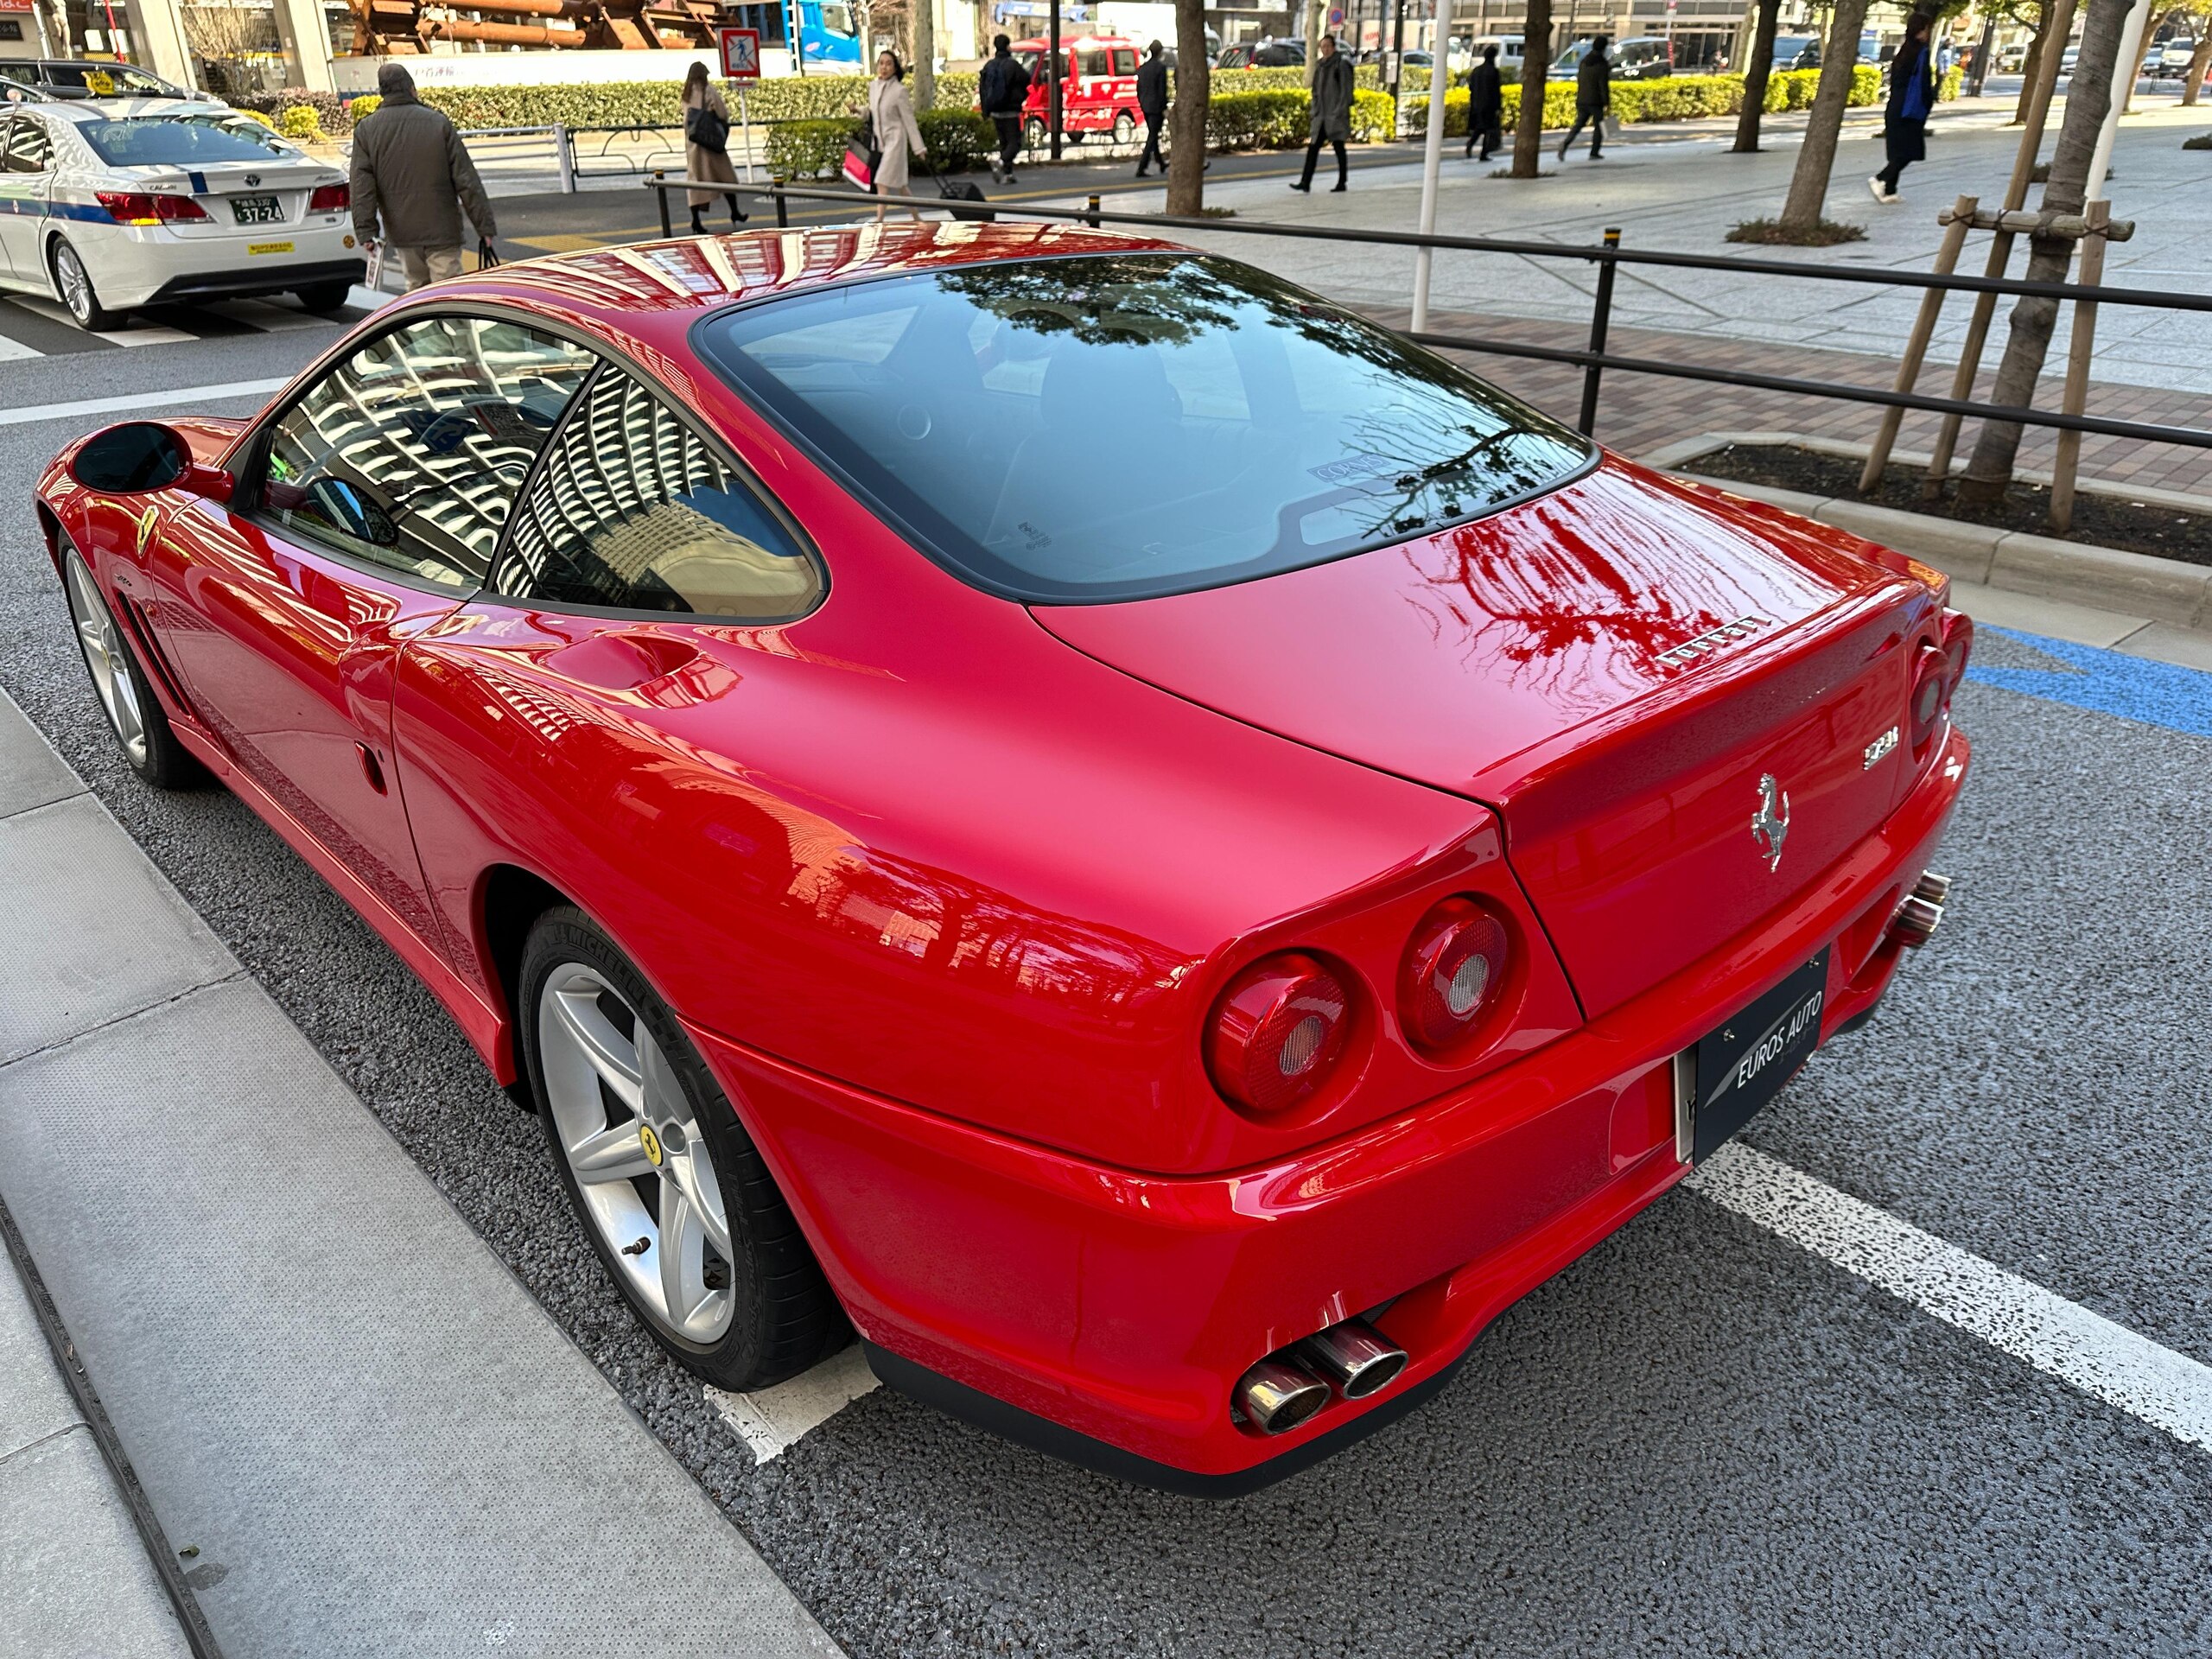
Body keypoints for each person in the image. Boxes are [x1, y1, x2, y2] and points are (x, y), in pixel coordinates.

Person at [348, 62, 496, 291]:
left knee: (417, 292)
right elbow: (466, 179)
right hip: (442, 228)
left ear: (382, 92)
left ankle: (426, 328)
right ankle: (456, 328)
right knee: (449, 292)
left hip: (402, 230)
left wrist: (366, 231)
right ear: (411, 89)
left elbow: (362, 187)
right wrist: (484, 227)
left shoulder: (366, 130)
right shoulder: (437, 122)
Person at [1872, 13, 1937, 205]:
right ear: (1921, 30)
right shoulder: (1921, 52)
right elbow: (1924, 83)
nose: (1928, 33)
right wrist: (1928, 103)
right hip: (1911, 108)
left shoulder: (1903, 51)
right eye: (1927, 29)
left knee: (1896, 150)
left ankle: (1890, 191)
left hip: (1895, 105)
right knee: (1910, 150)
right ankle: (1879, 178)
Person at [681, 61, 747, 235]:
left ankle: (696, 220)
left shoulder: (686, 92)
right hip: (710, 142)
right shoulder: (707, 90)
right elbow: (722, 112)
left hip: (694, 144)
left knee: (697, 182)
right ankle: (735, 211)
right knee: (726, 178)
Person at [867, 50, 928, 224]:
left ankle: (879, 219)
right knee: (901, 186)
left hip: (896, 141)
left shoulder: (899, 91)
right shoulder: (873, 87)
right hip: (881, 142)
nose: (884, 67)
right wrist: (858, 111)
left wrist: (919, 148)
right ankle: (917, 218)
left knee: (881, 181)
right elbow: (873, 113)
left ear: (895, 68)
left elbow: (909, 121)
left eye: (888, 64)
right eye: (881, 63)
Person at [1290, 33, 1355, 193]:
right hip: (1322, 117)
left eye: (1328, 46)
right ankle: (1305, 182)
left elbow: (1346, 92)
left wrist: (1339, 111)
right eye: (1323, 47)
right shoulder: (1320, 66)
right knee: (1313, 149)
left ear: (1333, 47)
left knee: (1339, 148)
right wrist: (1315, 110)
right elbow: (1315, 91)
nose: (1325, 50)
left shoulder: (1341, 65)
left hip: (1335, 116)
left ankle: (1342, 182)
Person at [979, 33, 1032, 183]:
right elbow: (1026, 79)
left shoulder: (989, 65)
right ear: (1008, 46)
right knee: (1015, 143)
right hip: (1010, 110)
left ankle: (1008, 174)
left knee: (1004, 143)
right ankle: (1001, 163)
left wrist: (985, 111)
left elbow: (983, 88)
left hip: (995, 111)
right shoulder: (1012, 65)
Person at [1558, 35, 1611, 161]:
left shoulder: (1584, 61)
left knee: (1578, 125)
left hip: (1582, 99)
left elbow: (1580, 79)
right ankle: (1594, 152)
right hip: (1596, 101)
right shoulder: (1602, 64)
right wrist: (1607, 102)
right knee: (1599, 127)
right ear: (1604, 48)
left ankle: (1565, 143)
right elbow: (1603, 85)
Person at [1463, 41, 1503, 162]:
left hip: (1476, 104)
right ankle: (1483, 153)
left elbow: (1471, 87)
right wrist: (1498, 107)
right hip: (1489, 105)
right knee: (1488, 129)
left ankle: (1471, 144)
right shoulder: (1493, 71)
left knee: (1480, 127)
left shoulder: (1476, 70)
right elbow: (1496, 90)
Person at [1135, 39, 1169, 177]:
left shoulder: (1143, 69)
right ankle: (1141, 167)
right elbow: (1162, 91)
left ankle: (1161, 163)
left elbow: (1139, 89)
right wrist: (1164, 107)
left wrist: (1141, 102)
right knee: (1152, 136)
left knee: (1153, 135)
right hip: (1156, 107)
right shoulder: (1160, 68)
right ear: (1160, 52)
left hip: (1145, 106)